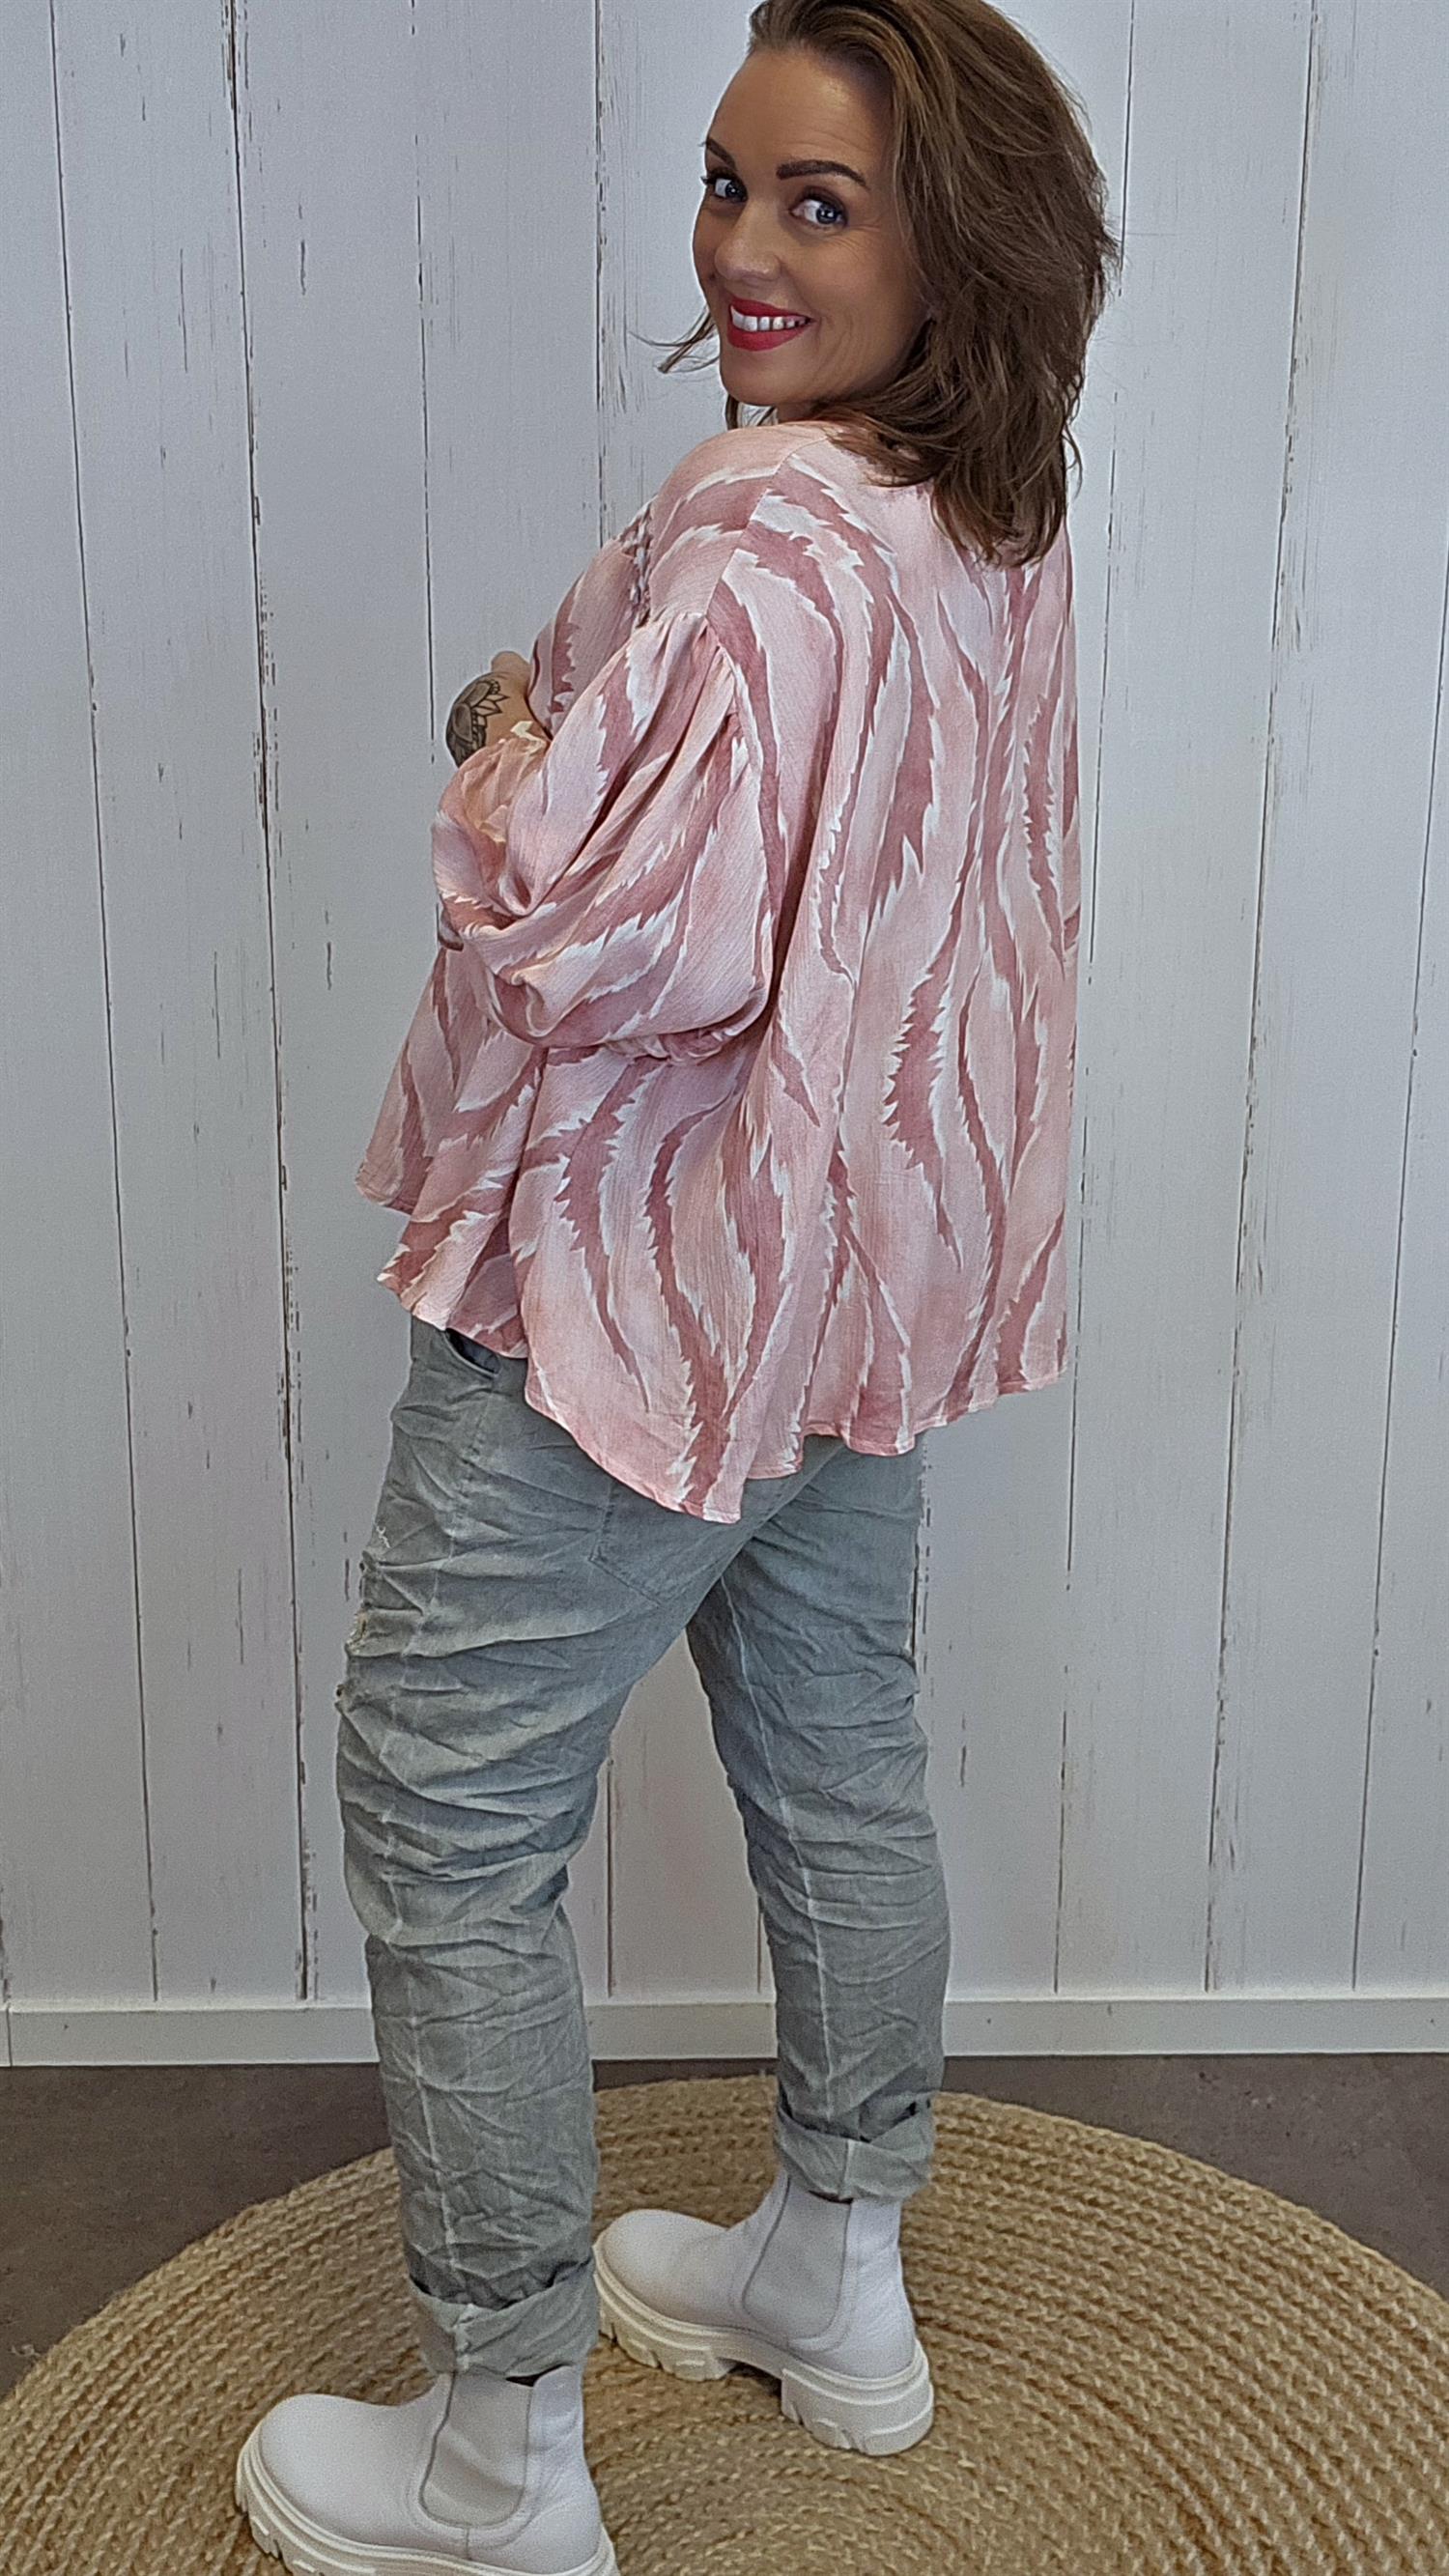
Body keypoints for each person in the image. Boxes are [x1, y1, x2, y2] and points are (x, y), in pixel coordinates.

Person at [234, 4, 1119, 2569]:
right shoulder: (987, 518)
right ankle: (835, 2269)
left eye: (819, 203)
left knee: (442, 1795)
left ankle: (498, 2450)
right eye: (731, 183)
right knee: (837, 1750)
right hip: (855, 1281)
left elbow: (608, 935)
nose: (744, 247)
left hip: (648, 1282)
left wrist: (511, 734)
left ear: (952, 240)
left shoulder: (756, 538)